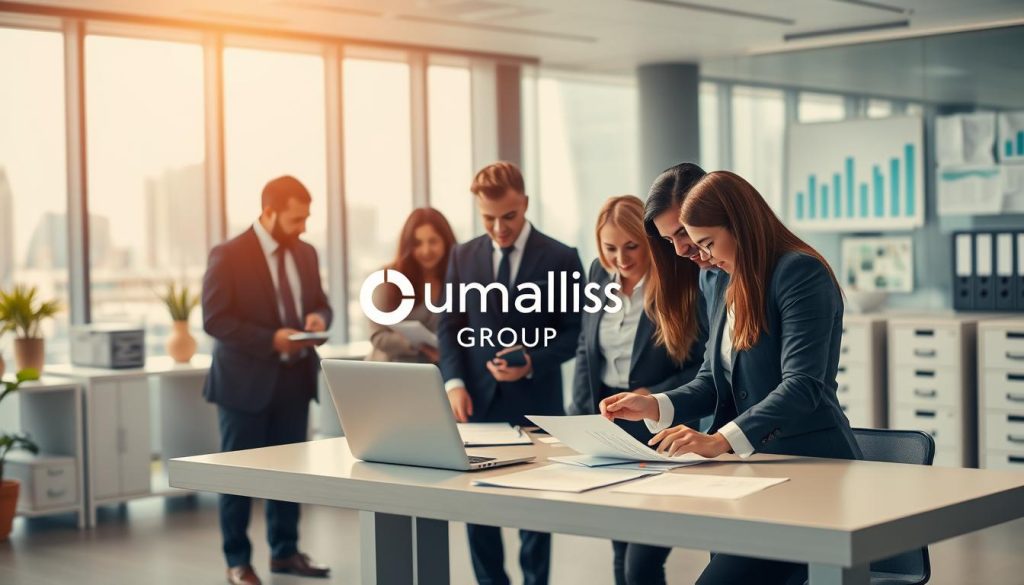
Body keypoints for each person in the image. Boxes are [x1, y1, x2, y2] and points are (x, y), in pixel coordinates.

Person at [600, 170, 863, 585]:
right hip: (745, 474)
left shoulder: (799, 272)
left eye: (705, 243)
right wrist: (657, 405)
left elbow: (803, 385)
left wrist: (720, 439)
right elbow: (713, 378)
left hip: (809, 472)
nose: (698, 256)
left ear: (739, 225)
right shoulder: (717, 276)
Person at [437, 161, 583, 585]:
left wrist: (533, 360)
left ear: (525, 204)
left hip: (536, 404)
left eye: (508, 216)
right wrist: (454, 383)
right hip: (476, 404)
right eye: (488, 218)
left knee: (535, 509)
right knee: (478, 510)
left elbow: (577, 332)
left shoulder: (560, 256)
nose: (499, 227)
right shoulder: (463, 256)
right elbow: (449, 326)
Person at [569, 195, 709, 585]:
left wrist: (654, 397)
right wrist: (578, 419)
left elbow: (706, 368)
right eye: (610, 248)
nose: (621, 259)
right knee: (620, 548)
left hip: (661, 428)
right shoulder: (599, 274)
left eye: (631, 246)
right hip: (609, 427)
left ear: (650, 241)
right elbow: (586, 348)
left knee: (641, 561)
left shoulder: (682, 279)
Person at [202, 175, 333, 585]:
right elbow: (214, 319)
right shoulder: (229, 254)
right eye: (296, 219)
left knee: (290, 474)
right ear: (269, 212)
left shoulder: (307, 254)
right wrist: (270, 340)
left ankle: (285, 552)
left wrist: (317, 320)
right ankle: (237, 561)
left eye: (307, 218)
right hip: (245, 384)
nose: (303, 227)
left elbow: (321, 304)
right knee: (237, 476)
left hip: (295, 379)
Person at [366, 207, 457, 363]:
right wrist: (419, 345)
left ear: (446, 242)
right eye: (417, 243)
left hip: (437, 373)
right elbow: (377, 335)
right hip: (390, 370)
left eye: (433, 241)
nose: (426, 250)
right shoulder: (387, 279)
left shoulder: (458, 278)